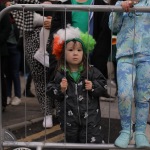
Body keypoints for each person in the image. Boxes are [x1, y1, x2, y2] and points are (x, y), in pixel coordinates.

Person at [47, 25, 107, 143]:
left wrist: (93, 86)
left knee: (92, 144)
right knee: (72, 144)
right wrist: (60, 89)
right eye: (71, 50)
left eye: (79, 50)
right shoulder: (60, 73)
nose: (75, 53)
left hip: (91, 121)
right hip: (69, 121)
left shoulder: (91, 71)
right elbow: (50, 89)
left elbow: (103, 85)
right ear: (62, 53)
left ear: (84, 53)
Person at [47, 0, 115, 101]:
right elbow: (54, 37)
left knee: (88, 101)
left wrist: (97, 72)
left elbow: (104, 41)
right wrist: (56, 68)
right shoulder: (63, 6)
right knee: (66, 99)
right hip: (66, 65)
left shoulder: (101, 6)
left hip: (91, 65)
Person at [109, 0, 150, 148]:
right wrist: (120, 10)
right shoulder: (120, 2)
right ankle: (126, 130)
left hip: (147, 55)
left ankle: (140, 132)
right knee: (124, 94)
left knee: (143, 96)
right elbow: (113, 27)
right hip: (125, 55)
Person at [11, 0, 57, 128]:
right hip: (32, 38)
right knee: (39, 78)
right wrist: (43, 20)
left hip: (56, 36)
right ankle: (47, 113)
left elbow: (67, 11)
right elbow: (19, 11)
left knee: (59, 77)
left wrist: (54, 22)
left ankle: (59, 110)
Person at [5, 0, 22, 106]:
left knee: (15, 73)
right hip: (6, 47)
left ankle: (18, 96)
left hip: (15, 48)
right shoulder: (4, 18)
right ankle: (7, 95)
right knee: (7, 73)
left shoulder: (17, 19)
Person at [0, 2, 11, 112]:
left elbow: (7, 28)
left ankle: (2, 103)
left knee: (1, 77)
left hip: (1, 50)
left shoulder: (2, 7)